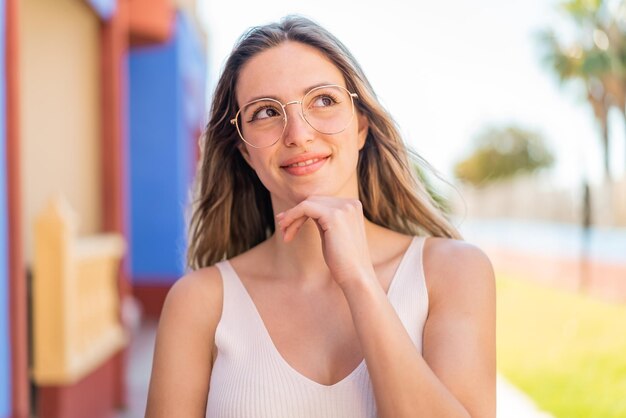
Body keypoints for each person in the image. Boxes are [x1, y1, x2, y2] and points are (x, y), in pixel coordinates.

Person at [146, 15, 495, 418]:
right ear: (244, 151)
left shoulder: (453, 271)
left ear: (361, 125)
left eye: (324, 100)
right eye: (265, 112)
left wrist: (360, 281)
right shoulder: (199, 302)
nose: (298, 132)